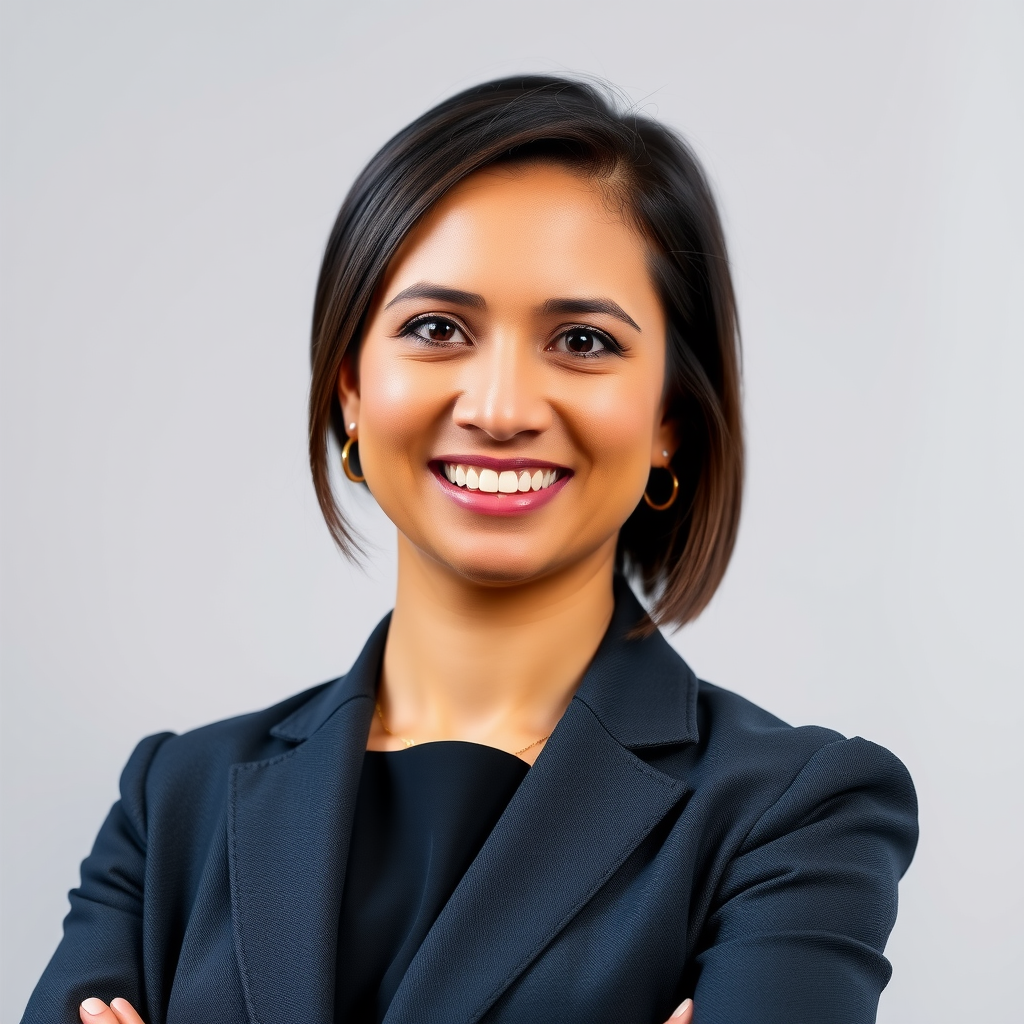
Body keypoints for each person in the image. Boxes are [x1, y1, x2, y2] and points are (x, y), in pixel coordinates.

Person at [22, 76, 918, 1024]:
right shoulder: (175, 802)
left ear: (671, 420)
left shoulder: (795, 817)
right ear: (351, 391)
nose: (499, 409)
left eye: (581, 340)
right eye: (436, 330)